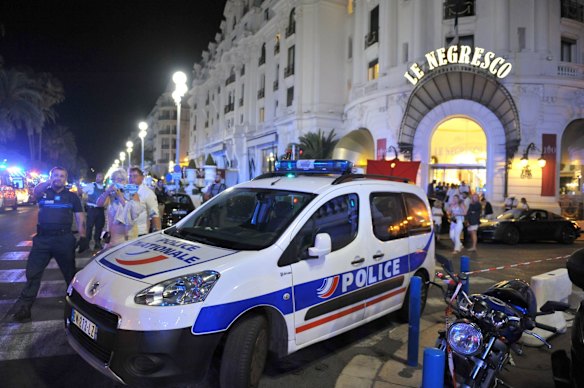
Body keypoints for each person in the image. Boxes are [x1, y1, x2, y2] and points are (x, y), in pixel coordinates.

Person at [12, 166, 88, 322]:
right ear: (51, 177)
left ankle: (76, 307)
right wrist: (49, 180)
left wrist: (83, 237)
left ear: (66, 179)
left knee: (70, 275)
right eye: (56, 175)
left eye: (62, 176)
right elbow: (35, 191)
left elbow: (80, 218)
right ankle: (24, 308)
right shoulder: (43, 193)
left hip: (64, 239)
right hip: (43, 240)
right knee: (32, 274)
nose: (58, 178)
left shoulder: (72, 197)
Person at [96, 168, 144, 248]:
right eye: (113, 179)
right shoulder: (111, 194)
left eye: (119, 179)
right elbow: (99, 204)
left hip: (126, 236)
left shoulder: (132, 193)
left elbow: (134, 214)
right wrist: (107, 192)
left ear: (125, 181)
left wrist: (121, 198)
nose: (116, 182)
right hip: (111, 236)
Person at [129, 167, 161, 235]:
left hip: (140, 232)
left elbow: (154, 214)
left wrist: (157, 233)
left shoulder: (147, 193)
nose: (131, 178)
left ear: (142, 178)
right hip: (126, 233)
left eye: (135, 176)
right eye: (130, 176)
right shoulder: (126, 191)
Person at [83, 172, 106, 250]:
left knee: (99, 227)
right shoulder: (91, 185)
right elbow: (82, 192)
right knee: (89, 227)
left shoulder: (104, 187)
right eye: (97, 176)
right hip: (91, 209)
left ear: (103, 178)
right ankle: (86, 244)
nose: (97, 178)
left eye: (99, 176)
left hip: (100, 210)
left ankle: (97, 242)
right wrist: (85, 199)